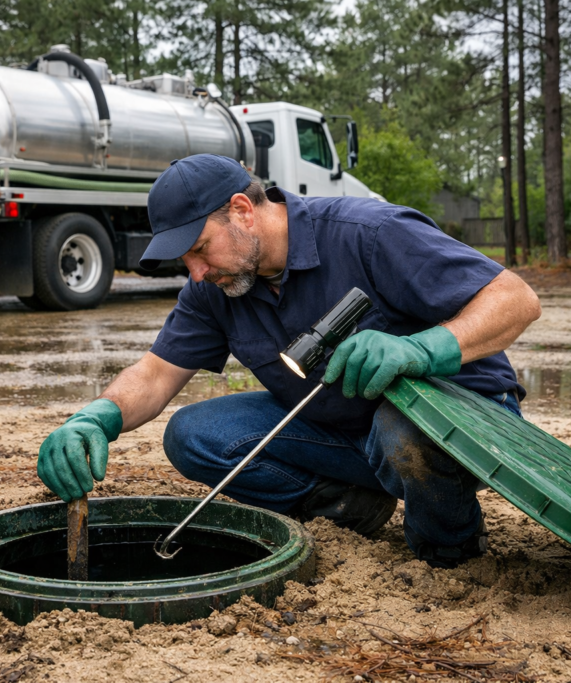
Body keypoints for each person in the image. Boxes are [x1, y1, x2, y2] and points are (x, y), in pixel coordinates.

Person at [38, 154, 541, 568]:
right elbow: (153, 374)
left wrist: (420, 348)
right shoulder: (216, 287)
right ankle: (351, 508)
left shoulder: (368, 231)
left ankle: (450, 547)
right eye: (183, 261)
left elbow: (516, 299)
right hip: (346, 434)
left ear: (241, 210)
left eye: (198, 250)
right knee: (194, 435)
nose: (194, 273)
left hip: (464, 425)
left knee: (403, 429)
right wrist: (95, 417)